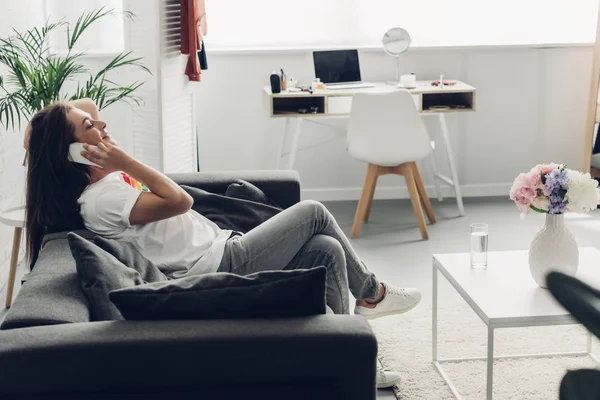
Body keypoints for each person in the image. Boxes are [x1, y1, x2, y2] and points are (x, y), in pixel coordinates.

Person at [24, 99, 422, 389]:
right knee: (314, 211)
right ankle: (372, 293)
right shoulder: (101, 199)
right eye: (90, 127)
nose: (102, 124)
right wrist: (124, 161)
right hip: (220, 265)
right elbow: (181, 201)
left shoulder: (104, 180)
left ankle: (350, 354)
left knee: (327, 249)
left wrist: (61, 128)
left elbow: (80, 109)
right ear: (75, 151)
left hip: (223, 246)